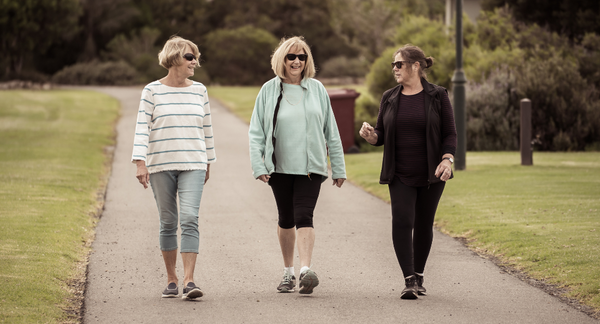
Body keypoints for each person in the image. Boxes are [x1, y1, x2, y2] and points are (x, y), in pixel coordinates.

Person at [248, 36, 346, 294]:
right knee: (286, 218)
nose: (296, 61)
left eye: (301, 57)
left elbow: (331, 132)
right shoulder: (269, 90)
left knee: (305, 216)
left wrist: (338, 167)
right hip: (279, 168)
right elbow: (256, 131)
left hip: (310, 168)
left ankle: (305, 271)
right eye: (291, 56)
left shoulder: (317, 89)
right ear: (282, 59)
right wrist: (258, 165)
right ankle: (288, 272)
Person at [359, 44, 457, 300]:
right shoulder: (389, 97)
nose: (394, 69)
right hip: (399, 172)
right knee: (403, 220)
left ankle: (420, 274)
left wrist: (447, 160)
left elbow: (450, 133)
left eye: (398, 64)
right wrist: (371, 136)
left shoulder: (438, 96)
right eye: (393, 64)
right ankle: (409, 278)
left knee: (424, 223)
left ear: (416, 66)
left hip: (431, 173)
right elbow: (380, 134)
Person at [131, 36, 216, 300]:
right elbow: (142, 127)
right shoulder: (151, 91)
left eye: (196, 58)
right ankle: (171, 279)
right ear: (174, 58)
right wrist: (140, 162)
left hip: (193, 164)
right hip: (160, 165)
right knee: (168, 222)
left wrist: (208, 161)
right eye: (190, 57)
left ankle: (190, 281)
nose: (195, 62)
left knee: (190, 218)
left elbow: (207, 129)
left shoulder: (200, 90)